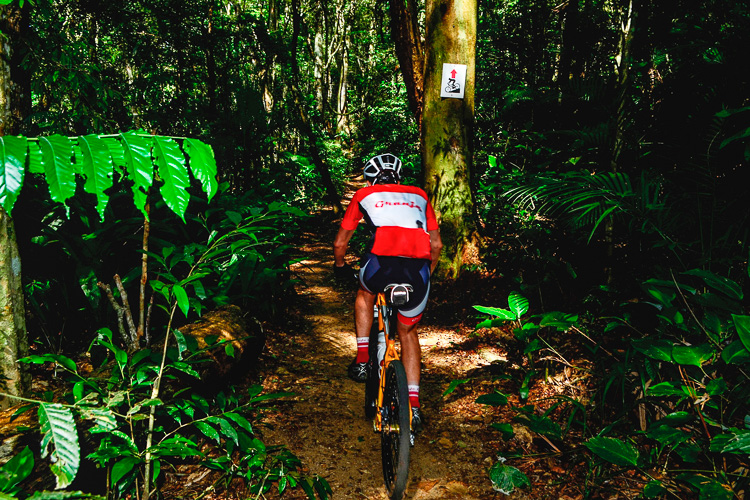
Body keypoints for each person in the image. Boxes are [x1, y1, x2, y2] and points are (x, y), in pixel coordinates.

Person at [333, 153, 443, 432]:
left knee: (365, 292)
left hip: (381, 267)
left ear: (371, 178)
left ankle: (361, 361)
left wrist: (339, 265)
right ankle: (414, 407)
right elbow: (437, 245)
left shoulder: (364, 194)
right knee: (407, 332)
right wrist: (427, 273)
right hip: (417, 271)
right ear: (398, 177)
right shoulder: (419, 195)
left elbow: (340, 242)